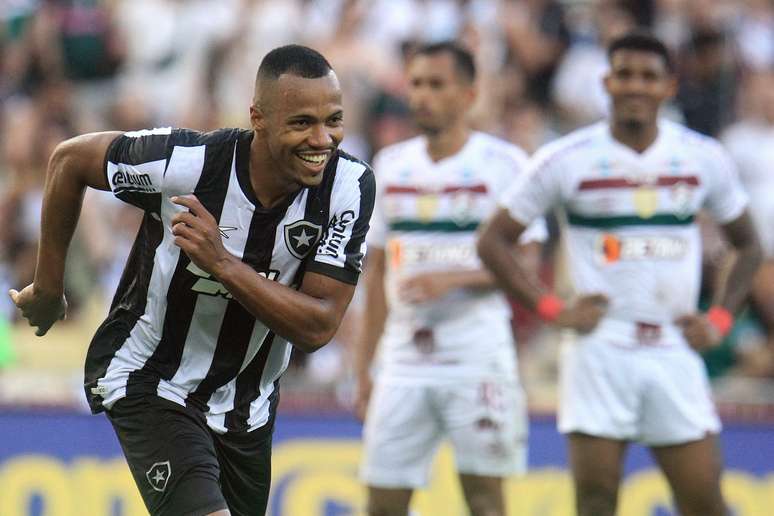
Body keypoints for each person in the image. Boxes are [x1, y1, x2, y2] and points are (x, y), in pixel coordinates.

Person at [9, 44, 375, 516]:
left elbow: (319, 325)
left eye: (334, 120)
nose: (322, 139)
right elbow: (69, 160)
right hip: (151, 376)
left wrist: (222, 262)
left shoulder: (349, 187)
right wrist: (48, 286)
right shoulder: (188, 164)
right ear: (258, 118)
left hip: (246, 407)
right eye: (302, 123)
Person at [477, 32, 761, 516]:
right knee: (595, 503)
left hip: (673, 346)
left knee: (705, 503)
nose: (635, 86)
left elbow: (750, 245)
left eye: (648, 76)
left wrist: (718, 322)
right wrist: (552, 308)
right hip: (599, 346)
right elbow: (492, 240)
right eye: (624, 74)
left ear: (669, 86)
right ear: (606, 82)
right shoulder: (567, 158)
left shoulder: (701, 156)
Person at [354, 41, 545, 516]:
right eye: (416, 83)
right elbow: (377, 274)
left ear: (468, 94)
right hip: (403, 359)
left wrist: (455, 278)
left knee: (485, 504)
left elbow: (528, 264)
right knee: (382, 504)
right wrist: (364, 367)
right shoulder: (392, 164)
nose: (422, 95)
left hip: (477, 357)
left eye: (436, 84)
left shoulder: (504, 165)